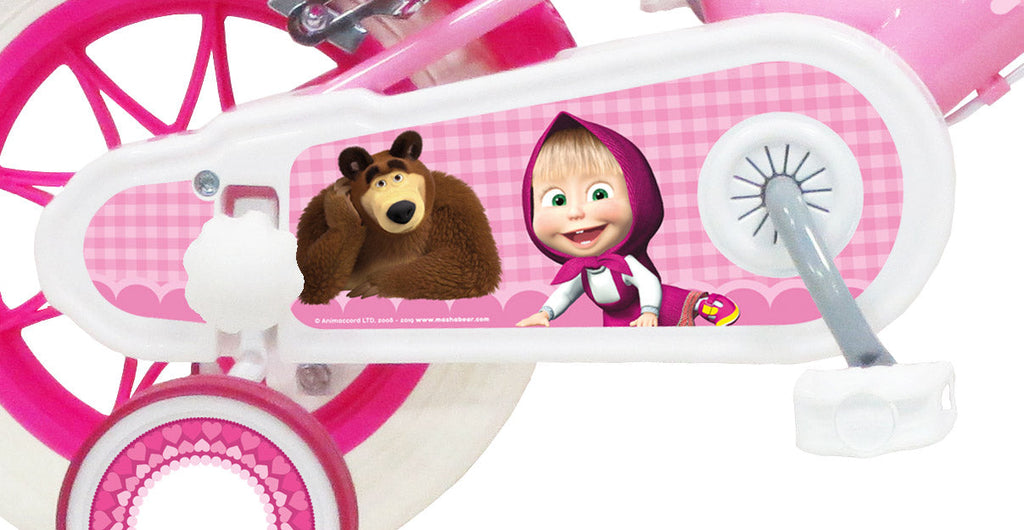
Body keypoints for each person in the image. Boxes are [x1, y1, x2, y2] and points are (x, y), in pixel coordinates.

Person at [516, 112, 739, 328]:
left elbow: (648, 282)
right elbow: (565, 293)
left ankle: (703, 303)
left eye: (599, 194)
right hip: (616, 318)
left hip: (647, 305)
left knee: (672, 302)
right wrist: (545, 313)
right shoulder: (583, 270)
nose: (575, 212)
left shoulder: (624, 263)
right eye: (558, 200)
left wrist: (649, 311)